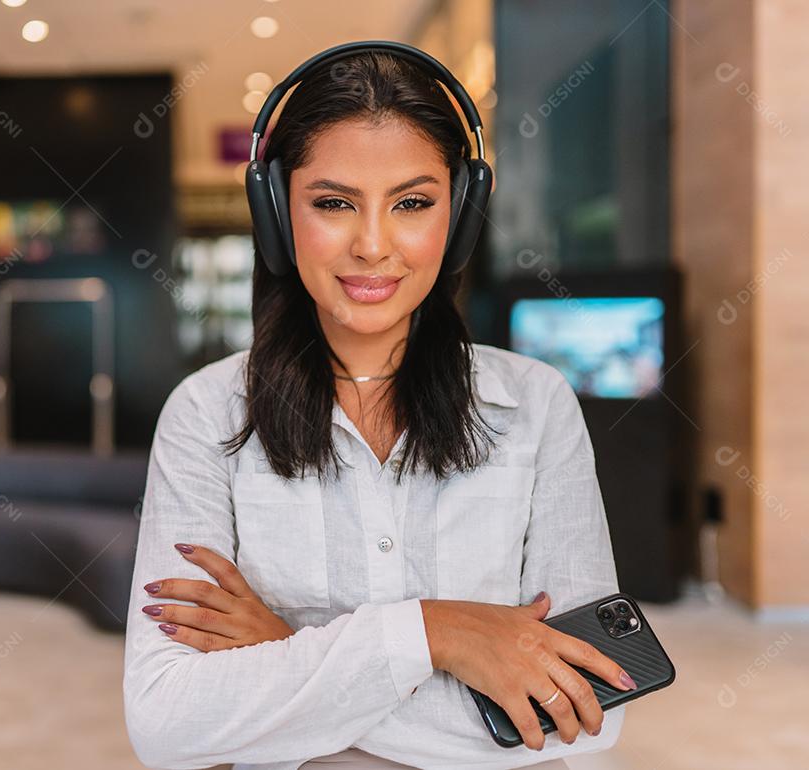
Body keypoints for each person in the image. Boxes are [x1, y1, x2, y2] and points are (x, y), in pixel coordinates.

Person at [123, 46, 629, 770]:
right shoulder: (206, 415)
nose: (372, 245)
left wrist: (284, 653)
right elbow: (167, 723)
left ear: (459, 215)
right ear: (276, 213)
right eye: (332, 203)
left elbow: (590, 704)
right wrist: (439, 634)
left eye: (413, 203)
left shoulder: (535, 405)